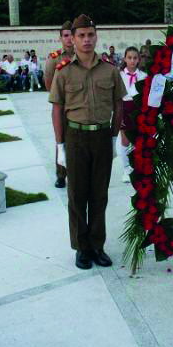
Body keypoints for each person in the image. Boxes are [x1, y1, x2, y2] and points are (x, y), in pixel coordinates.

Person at [49, 14, 127, 270]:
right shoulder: (64, 71)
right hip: (75, 137)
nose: (86, 40)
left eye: (90, 35)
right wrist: (60, 146)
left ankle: (97, 245)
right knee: (77, 196)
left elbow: (118, 104)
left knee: (99, 196)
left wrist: (115, 137)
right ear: (72, 38)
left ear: (96, 37)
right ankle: (81, 248)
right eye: (81, 35)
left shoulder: (110, 70)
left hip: (102, 136)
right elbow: (57, 109)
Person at [45, 21, 75, 188]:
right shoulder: (55, 58)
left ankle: (78, 173)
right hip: (62, 107)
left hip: (80, 106)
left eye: (71, 34)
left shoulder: (83, 55)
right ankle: (61, 175)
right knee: (61, 141)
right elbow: (49, 84)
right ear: (60, 38)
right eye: (65, 35)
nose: (69, 38)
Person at [116, 46, 147, 182]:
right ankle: (126, 168)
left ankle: (137, 167)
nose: (132, 61)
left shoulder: (143, 76)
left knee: (138, 139)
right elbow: (116, 96)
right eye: (129, 58)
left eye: (135, 58)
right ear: (125, 59)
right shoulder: (119, 76)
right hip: (124, 107)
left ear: (139, 60)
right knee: (125, 140)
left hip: (138, 108)